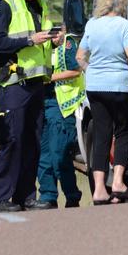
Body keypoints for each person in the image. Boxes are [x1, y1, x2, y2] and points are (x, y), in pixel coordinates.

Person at [0, 0, 63, 212]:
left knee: (32, 141)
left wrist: (53, 40)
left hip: (35, 84)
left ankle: (26, 195)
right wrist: (30, 39)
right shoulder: (3, 2)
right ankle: (1, 197)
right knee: (12, 140)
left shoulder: (38, 3)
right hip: (13, 84)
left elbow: (40, 43)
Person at [76, 0, 128, 205]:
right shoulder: (123, 25)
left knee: (102, 134)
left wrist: (91, 71)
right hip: (119, 85)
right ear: (121, 3)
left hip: (95, 86)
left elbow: (80, 56)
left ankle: (100, 189)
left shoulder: (92, 25)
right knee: (123, 132)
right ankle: (119, 182)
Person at [34, 32, 84, 209]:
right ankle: (48, 196)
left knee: (59, 153)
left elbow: (76, 71)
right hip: (42, 103)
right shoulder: (38, 47)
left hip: (61, 106)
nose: (52, 36)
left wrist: (47, 77)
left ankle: (71, 195)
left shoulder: (67, 43)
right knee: (44, 155)